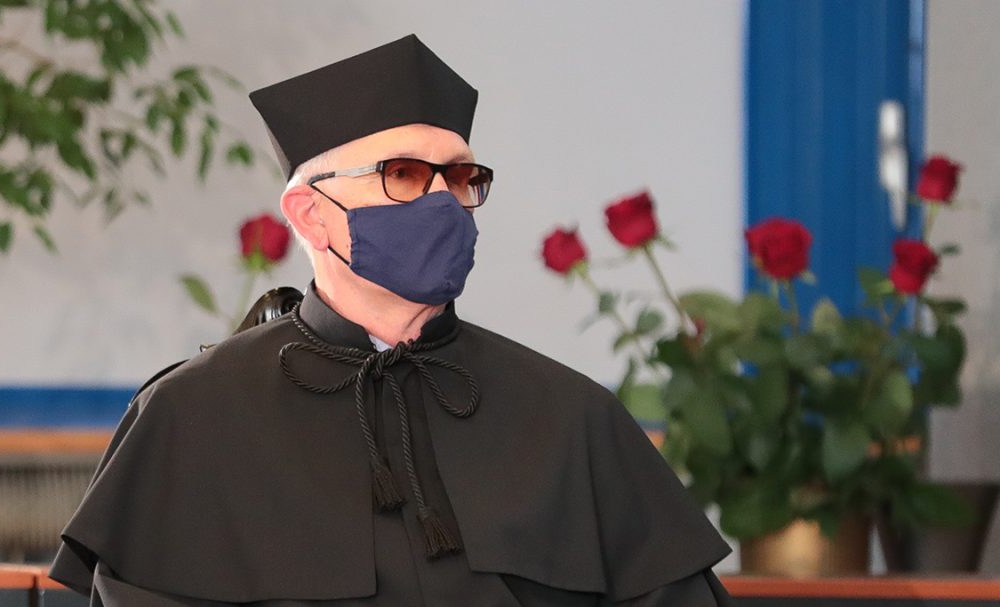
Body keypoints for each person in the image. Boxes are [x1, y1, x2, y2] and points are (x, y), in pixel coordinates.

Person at [48, 34, 734, 606]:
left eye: (460, 178)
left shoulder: (573, 417)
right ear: (310, 214)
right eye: (403, 174)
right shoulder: (192, 417)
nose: (442, 200)